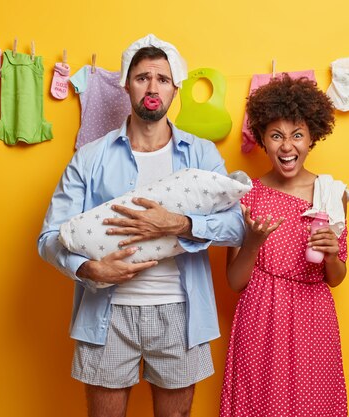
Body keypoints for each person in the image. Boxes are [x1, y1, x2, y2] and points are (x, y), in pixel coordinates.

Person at [37, 34, 244, 417]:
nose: (153, 87)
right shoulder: (90, 158)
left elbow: (236, 227)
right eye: (143, 77)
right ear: (126, 85)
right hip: (106, 313)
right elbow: (50, 237)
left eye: (163, 79)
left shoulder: (201, 154)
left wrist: (179, 224)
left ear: (175, 88)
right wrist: (89, 269)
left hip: (182, 313)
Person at [219, 75, 349, 417]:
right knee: (260, 405)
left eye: (297, 135)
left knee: (314, 406)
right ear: (262, 138)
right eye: (276, 135)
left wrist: (334, 253)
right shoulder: (247, 194)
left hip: (313, 317)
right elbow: (234, 282)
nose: (287, 146)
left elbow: (335, 278)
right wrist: (252, 243)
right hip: (261, 315)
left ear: (312, 138)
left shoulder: (330, 194)